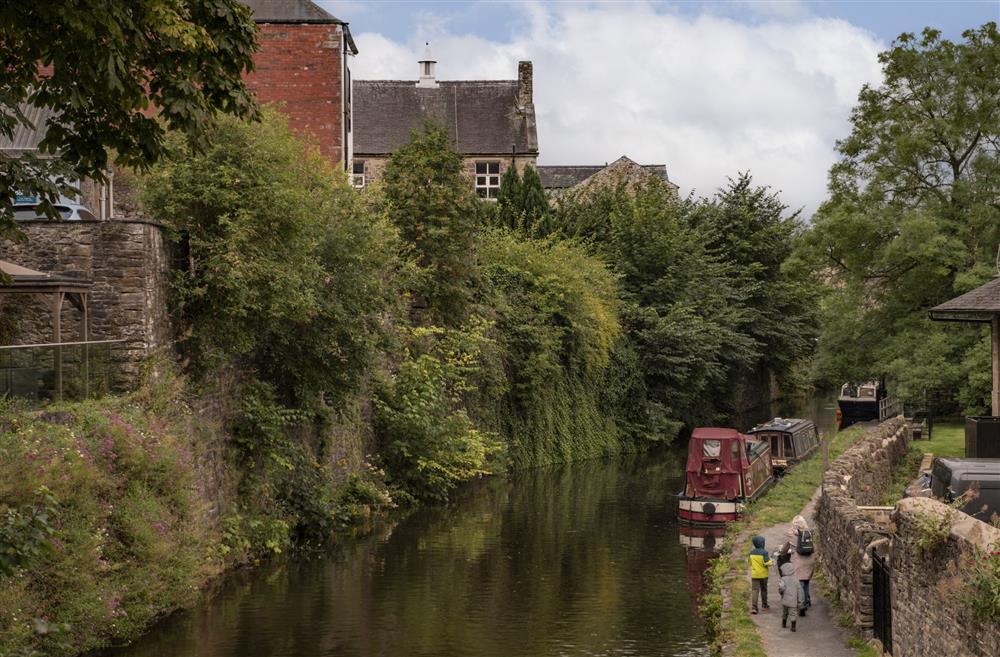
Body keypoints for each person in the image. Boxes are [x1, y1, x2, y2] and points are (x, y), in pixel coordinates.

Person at [778, 514, 816, 615]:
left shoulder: (791, 534)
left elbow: (785, 547)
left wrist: (782, 554)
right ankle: (807, 601)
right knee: (806, 581)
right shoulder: (808, 533)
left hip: (798, 562)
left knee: (800, 583)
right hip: (809, 560)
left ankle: (802, 605)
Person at [748, 535, 772, 614]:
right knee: (764, 590)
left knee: (755, 591)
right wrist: (771, 561)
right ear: (762, 543)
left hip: (755, 575)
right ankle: (764, 605)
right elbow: (767, 563)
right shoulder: (764, 552)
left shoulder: (751, 553)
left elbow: (750, 563)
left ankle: (754, 607)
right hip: (763, 575)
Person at [778, 561, 804, 631]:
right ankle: (793, 626)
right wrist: (800, 602)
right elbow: (800, 591)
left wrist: (780, 592)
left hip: (785, 600)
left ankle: (784, 624)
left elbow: (781, 588)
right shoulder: (796, 580)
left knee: (785, 613)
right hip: (793, 601)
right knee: (793, 614)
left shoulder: (783, 579)